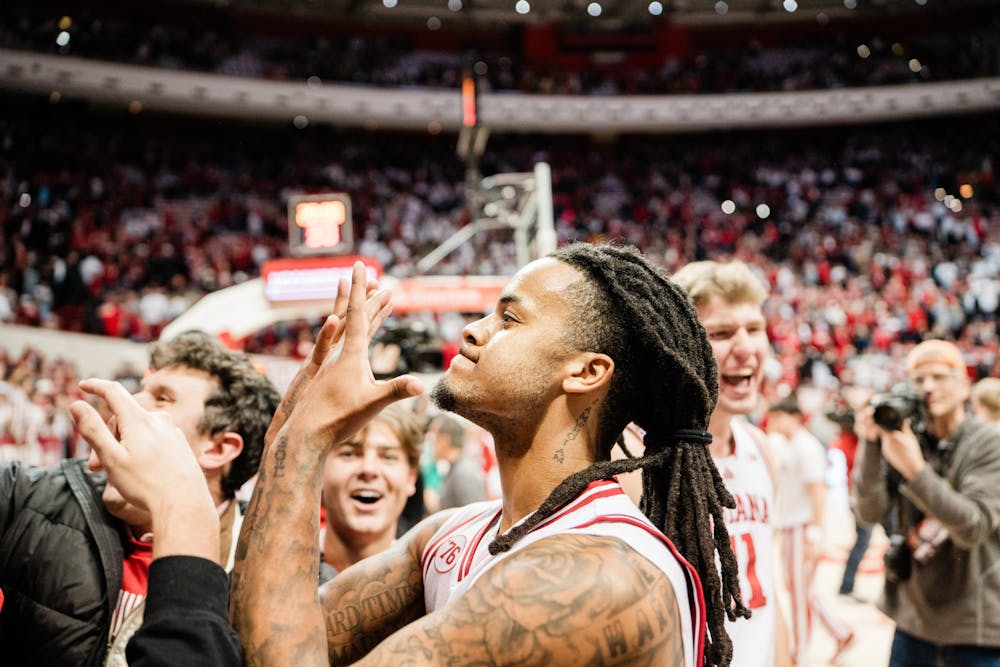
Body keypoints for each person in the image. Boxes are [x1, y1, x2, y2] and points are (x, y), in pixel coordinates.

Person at [80, 249, 753, 667]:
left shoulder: (598, 576)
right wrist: (296, 428)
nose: (472, 329)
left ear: (585, 371)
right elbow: (268, 644)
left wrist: (291, 453)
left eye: (509, 319)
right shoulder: (455, 533)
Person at [0, 330, 280, 667]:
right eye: (142, 389)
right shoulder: (36, 495)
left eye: (162, 398)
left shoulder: (270, 570)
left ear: (220, 448)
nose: (131, 401)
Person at [671, 259, 790, 667]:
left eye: (754, 329)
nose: (746, 347)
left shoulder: (761, 448)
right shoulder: (639, 459)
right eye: (721, 333)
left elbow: (770, 595)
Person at [853, 339, 1000, 666]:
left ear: (965, 387)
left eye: (939, 377)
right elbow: (869, 511)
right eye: (918, 380)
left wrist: (915, 470)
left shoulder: (990, 442)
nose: (928, 387)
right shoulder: (908, 438)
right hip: (913, 623)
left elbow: (973, 527)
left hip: (976, 628)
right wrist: (871, 444)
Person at [765, 395, 853, 663]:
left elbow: (817, 491)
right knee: (799, 589)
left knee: (800, 593)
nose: (773, 423)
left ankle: (800, 650)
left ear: (790, 416)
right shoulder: (791, 445)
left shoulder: (806, 446)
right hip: (793, 526)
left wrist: (814, 534)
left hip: (802, 528)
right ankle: (839, 632)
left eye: (777, 417)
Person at [319, 402, 422, 583]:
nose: (369, 469)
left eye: (388, 457)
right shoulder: (275, 570)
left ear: (411, 478)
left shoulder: (430, 587)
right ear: (318, 472)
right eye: (349, 453)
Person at [426, 412, 486, 511]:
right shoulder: (454, 467)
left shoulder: (464, 473)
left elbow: (475, 517)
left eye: (433, 438)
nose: (431, 444)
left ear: (444, 441)